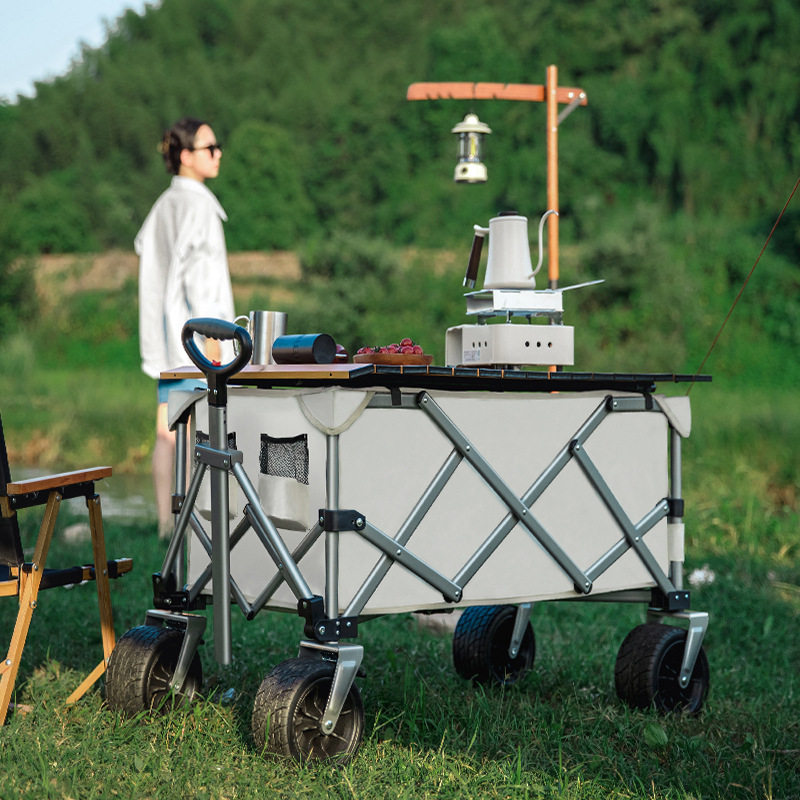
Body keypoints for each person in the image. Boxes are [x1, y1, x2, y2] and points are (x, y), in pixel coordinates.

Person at [135, 117, 235, 538]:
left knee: (166, 431)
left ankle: (166, 523)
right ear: (186, 156)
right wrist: (213, 338)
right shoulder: (198, 206)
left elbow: (145, 252)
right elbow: (200, 280)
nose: (218, 153)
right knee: (200, 432)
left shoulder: (164, 204)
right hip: (199, 340)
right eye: (210, 147)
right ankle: (196, 525)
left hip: (167, 338)